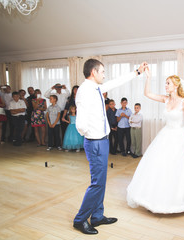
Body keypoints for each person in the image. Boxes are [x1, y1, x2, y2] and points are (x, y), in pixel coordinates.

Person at [73, 58, 146, 235]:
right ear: (93, 72)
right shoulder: (84, 91)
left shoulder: (96, 88)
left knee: (101, 182)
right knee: (97, 183)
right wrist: (91, 134)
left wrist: (136, 72)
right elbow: (81, 122)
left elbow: (115, 82)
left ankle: (97, 216)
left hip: (102, 140)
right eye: (103, 72)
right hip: (95, 141)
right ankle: (80, 220)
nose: (105, 75)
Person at [126, 71, 184, 214]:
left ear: (175, 86)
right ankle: (154, 198)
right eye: (165, 83)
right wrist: (148, 78)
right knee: (159, 165)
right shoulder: (165, 99)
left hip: (180, 137)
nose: (166, 86)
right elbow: (147, 94)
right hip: (165, 135)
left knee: (177, 168)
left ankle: (178, 200)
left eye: (168, 83)